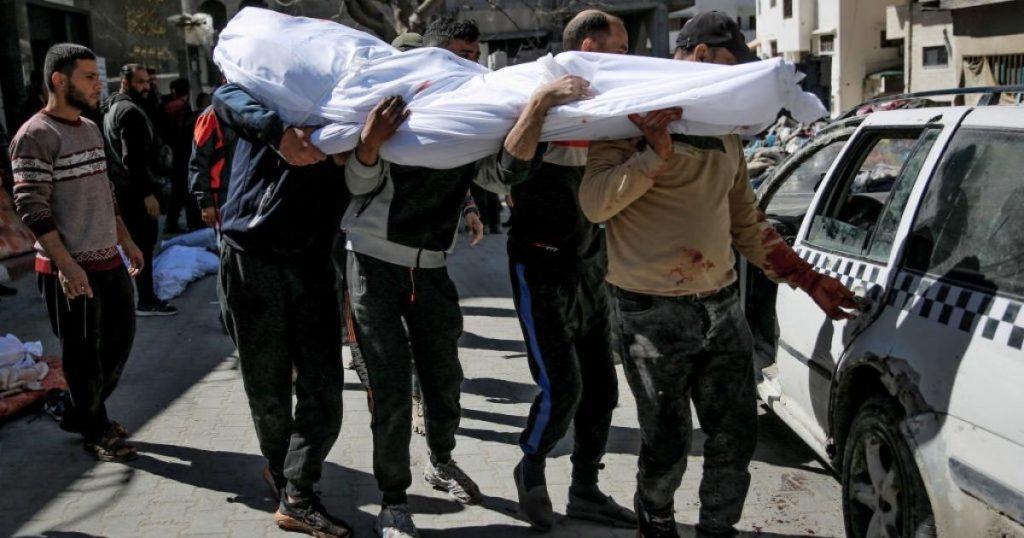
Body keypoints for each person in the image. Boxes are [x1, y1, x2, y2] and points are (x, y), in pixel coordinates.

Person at [579, 12, 857, 538]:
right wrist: (653, 155)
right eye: (733, 65)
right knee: (667, 440)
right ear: (702, 56)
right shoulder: (628, 117)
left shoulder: (723, 131)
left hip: (721, 306)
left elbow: (745, 222)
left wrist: (808, 279)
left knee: (735, 435)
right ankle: (656, 522)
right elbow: (595, 204)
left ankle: (716, 529)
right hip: (649, 311)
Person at [344, 19, 593, 537]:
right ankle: (393, 501)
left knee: (444, 381)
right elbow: (358, 181)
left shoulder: (472, 121)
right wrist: (370, 143)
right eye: (460, 54)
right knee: (391, 390)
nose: (470, 65)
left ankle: (440, 460)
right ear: (434, 57)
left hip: (432, 268)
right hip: (373, 265)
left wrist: (537, 108)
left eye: (475, 56)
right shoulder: (397, 105)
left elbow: (498, 176)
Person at [506, 9, 636, 532]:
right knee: (562, 388)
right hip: (539, 265)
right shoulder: (538, 93)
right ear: (589, 47)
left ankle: (585, 491)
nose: (627, 59)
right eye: (620, 50)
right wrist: (540, 103)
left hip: (588, 264)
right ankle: (531, 468)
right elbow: (508, 169)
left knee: (602, 390)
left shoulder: (611, 106)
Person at [214, 82, 352, 538]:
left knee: (325, 389)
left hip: (314, 259)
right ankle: (292, 489)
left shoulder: (354, 86)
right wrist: (279, 133)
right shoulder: (274, 82)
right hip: (251, 255)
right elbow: (226, 96)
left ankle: (294, 482)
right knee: (268, 385)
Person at [10, 43, 145, 463]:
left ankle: (78, 411)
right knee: (83, 354)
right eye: (88, 77)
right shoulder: (35, 135)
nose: (97, 84)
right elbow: (31, 206)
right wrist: (67, 266)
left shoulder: (89, 128)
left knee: (120, 339)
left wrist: (126, 240)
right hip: (68, 269)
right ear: (58, 79)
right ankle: (95, 427)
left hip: (108, 260)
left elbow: (105, 192)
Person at [103, 64, 177, 316]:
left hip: (125, 190)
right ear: (125, 83)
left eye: (148, 82)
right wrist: (147, 194)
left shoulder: (115, 107)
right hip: (135, 193)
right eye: (141, 82)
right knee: (142, 245)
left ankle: (142, 297)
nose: (147, 87)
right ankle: (146, 300)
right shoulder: (130, 112)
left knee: (136, 245)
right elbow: (132, 159)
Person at [161, 77, 196, 233]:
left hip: (176, 153)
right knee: (185, 189)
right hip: (183, 153)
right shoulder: (181, 106)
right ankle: (186, 222)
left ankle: (172, 221)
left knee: (179, 190)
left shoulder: (169, 105)